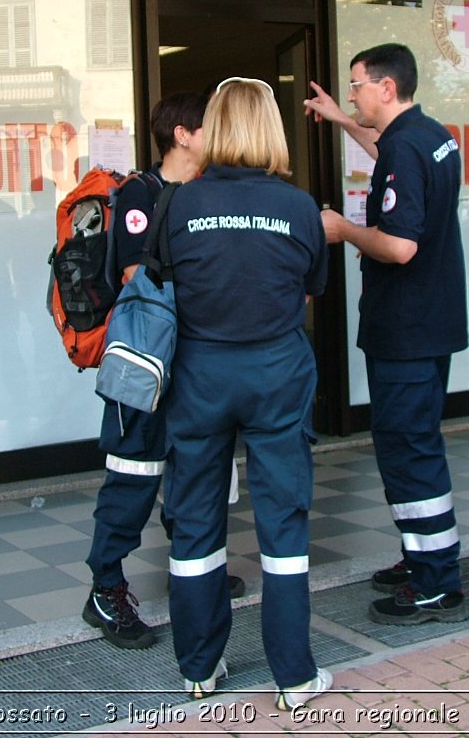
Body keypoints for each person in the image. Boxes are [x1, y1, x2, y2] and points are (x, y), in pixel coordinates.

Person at [159, 77, 332, 710]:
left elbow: (163, 285)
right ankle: (293, 677)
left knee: (195, 519)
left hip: (200, 374)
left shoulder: (178, 203)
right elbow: (308, 289)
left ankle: (200, 669)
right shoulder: (300, 208)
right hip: (276, 373)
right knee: (282, 518)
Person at [310, 43, 469, 625]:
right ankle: (422, 556)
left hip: (406, 327)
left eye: (355, 85)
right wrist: (341, 120)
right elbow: (390, 151)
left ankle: (435, 583)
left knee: (408, 449)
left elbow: (399, 246)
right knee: (414, 442)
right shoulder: (429, 134)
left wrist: (343, 228)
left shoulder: (406, 146)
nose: (351, 92)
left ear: (385, 87)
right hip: (432, 322)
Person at [82, 91, 242, 649]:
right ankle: (105, 590)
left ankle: (194, 566)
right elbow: (133, 277)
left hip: (194, 360)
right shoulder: (139, 194)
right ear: (182, 135)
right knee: (133, 475)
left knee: (194, 470)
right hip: (146, 361)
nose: (215, 137)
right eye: (207, 127)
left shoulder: (210, 193)